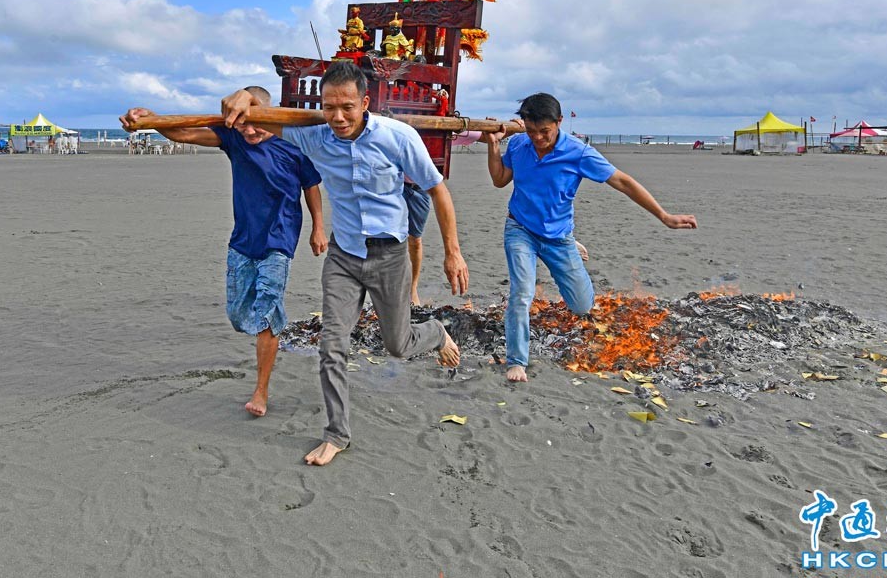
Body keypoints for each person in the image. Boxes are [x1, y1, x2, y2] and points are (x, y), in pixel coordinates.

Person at [220, 61, 468, 466]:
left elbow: (437, 190)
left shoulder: (397, 137)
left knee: (398, 345)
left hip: (390, 257)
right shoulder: (315, 137)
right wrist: (246, 96)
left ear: (364, 103)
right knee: (332, 346)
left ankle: (436, 333)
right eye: (329, 107)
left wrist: (452, 252)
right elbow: (260, 119)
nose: (338, 117)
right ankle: (337, 434)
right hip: (344, 257)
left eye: (347, 107)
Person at [119, 86, 328, 417]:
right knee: (238, 315)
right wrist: (152, 119)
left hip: (279, 239)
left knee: (267, 313)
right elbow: (185, 133)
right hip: (243, 240)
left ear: (271, 114)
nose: (250, 131)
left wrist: (318, 227)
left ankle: (261, 390)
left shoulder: (292, 143)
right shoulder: (233, 139)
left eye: (257, 123)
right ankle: (268, 332)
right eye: (244, 124)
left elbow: (311, 185)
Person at [480, 92, 697, 383]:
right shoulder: (519, 143)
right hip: (520, 229)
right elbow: (499, 180)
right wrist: (494, 145)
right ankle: (517, 360)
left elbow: (623, 181)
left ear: (559, 122)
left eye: (545, 131)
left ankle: (573, 244)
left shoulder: (578, 152)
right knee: (522, 293)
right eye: (531, 131)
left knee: (581, 305)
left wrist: (664, 216)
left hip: (558, 237)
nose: (538, 138)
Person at [403, 182, 431, 305]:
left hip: (420, 188)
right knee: (388, 238)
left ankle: (412, 288)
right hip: (395, 187)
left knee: (415, 241)